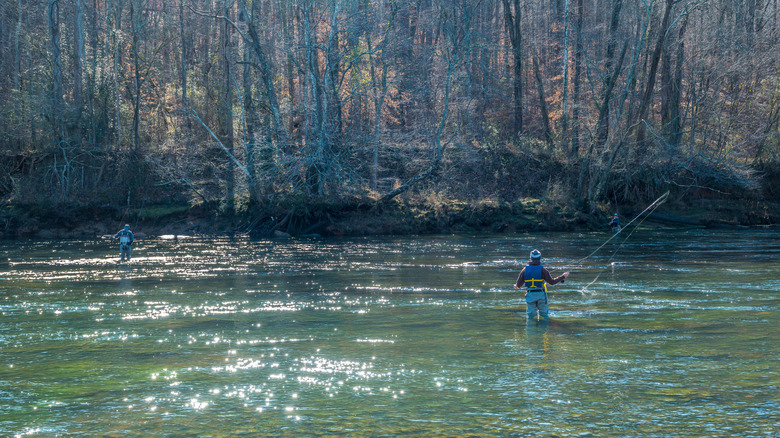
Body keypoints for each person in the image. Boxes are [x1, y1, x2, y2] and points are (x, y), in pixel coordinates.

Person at [514, 249, 569, 319]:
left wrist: (515, 286)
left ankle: (531, 329)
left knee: (531, 316)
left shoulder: (524, 270)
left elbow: (518, 285)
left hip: (530, 295)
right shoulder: (543, 270)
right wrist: (563, 276)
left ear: (531, 258)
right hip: (541, 295)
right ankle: (543, 329)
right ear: (540, 258)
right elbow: (552, 282)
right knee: (544, 315)